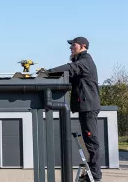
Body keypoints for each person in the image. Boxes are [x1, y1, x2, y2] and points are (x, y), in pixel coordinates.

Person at [46, 36, 102, 182]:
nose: (71, 48)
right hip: (85, 107)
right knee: (88, 140)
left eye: (73, 45)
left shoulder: (86, 61)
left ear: (83, 46)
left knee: (91, 141)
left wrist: (49, 72)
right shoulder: (80, 62)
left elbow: (70, 68)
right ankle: (90, 173)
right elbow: (69, 74)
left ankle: (95, 176)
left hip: (89, 106)